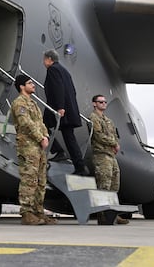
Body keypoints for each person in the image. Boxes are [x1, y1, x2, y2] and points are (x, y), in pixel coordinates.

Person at [11, 74, 56, 225]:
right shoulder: (19, 103)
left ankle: (38, 212)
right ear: (22, 86)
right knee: (29, 179)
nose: (33, 85)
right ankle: (26, 213)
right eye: (30, 83)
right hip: (28, 146)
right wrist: (40, 138)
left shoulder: (34, 104)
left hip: (38, 147)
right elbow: (26, 123)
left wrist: (46, 135)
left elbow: (40, 123)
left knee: (41, 180)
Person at [42, 49, 90, 175]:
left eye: (44, 59)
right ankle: (80, 166)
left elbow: (58, 88)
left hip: (58, 108)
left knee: (41, 125)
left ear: (49, 59)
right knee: (69, 138)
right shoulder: (65, 71)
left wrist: (60, 107)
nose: (43, 62)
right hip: (69, 109)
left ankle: (59, 151)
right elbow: (73, 91)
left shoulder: (52, 69)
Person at [90, 94, 129, 225]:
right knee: (104, 186)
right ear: (94, 104)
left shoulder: (108, 120)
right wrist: (114, 143)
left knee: (114, 184)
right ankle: (102, 215)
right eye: (100, 102)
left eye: (105, 102)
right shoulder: (93, 118)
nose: (103, 104)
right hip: (101, 154)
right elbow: (98, 135)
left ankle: (112, 214)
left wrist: (115, 144)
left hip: (111, 155)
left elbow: (114, 135)